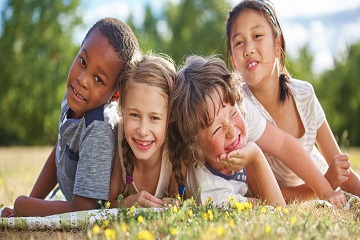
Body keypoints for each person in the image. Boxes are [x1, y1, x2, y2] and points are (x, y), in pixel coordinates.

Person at [1, 18, 141, 217]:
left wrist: (25, 207)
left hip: (90, 207)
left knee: (22, 203)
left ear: (115, 94)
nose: (82, 80)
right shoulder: (72, 98)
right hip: (75, 202)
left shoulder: (98, 128)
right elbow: (59, 153)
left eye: (99, 79)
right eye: (82, 61)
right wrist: (30, 201)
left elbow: (84, 210)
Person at [225, 0, 360, 201]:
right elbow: (262, 193)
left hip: (319, 178)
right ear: (234, 61)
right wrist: (324, 185)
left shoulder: (304, 94)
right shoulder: (241, 110)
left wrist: (331, 182)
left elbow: (340, 168)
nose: (248, 49)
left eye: (257, 36)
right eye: (239, 42)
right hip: (315, 187)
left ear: (278, 45)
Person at [173, 55, 346, 207]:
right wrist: (255, 155)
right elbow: (274, 206)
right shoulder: (212, 191)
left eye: (234, 113)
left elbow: (283, 144)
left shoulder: (238, 109)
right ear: (194, 145)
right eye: (217, 129)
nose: (231, 132)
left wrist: (325, 190)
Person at [107, 53, 186, 208]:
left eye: (154, 118)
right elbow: (109, 204)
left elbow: (181, 200)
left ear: (170, 117)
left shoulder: (176, 150)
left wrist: (173, 203)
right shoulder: (118, 137)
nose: (143, 131)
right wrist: (128, 203)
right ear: (122, 109)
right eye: (134, 115)